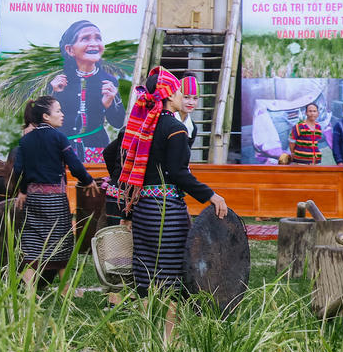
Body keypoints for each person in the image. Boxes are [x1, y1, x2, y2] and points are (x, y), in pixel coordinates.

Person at [119, 68, 228, 307]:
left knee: (145, 269)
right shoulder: (175, 129)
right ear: (169, 95)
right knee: (170, 273)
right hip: (166, 211)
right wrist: (211, 195)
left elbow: (131, 175)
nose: (182, 96)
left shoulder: (143, 129)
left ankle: (147, 334)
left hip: (143, 208)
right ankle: (169, 338)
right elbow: (179, 173)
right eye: (179, 91)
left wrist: (125, 213)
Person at [14, 95, 96, 287]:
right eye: (58, 111)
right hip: (56, 202)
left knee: (32, 245)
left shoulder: (25, 141)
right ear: (46, 116)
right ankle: (66, 293)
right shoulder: (59, 137)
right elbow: (75, 166)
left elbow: (19, 170)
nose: (62, 114)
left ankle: (29, 294)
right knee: (61, 245)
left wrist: (23, 191)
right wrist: (88, 180)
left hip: (33, 200)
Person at [47, 20, 126, 163]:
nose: (94, 43)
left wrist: (109, 104)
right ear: (70, 50)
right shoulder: (58, 81)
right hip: (62, 149)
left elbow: (118, 122)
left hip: (97, 149)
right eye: (85, 38)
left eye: (98, 38)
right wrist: (52, 92)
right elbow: (43, 119)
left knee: (95, 184)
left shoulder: (109, 81)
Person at [178, 73, 199, 149]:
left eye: (195, 98)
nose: (191, 102)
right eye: (186, 97)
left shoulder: (192, 128)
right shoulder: (165, 120)